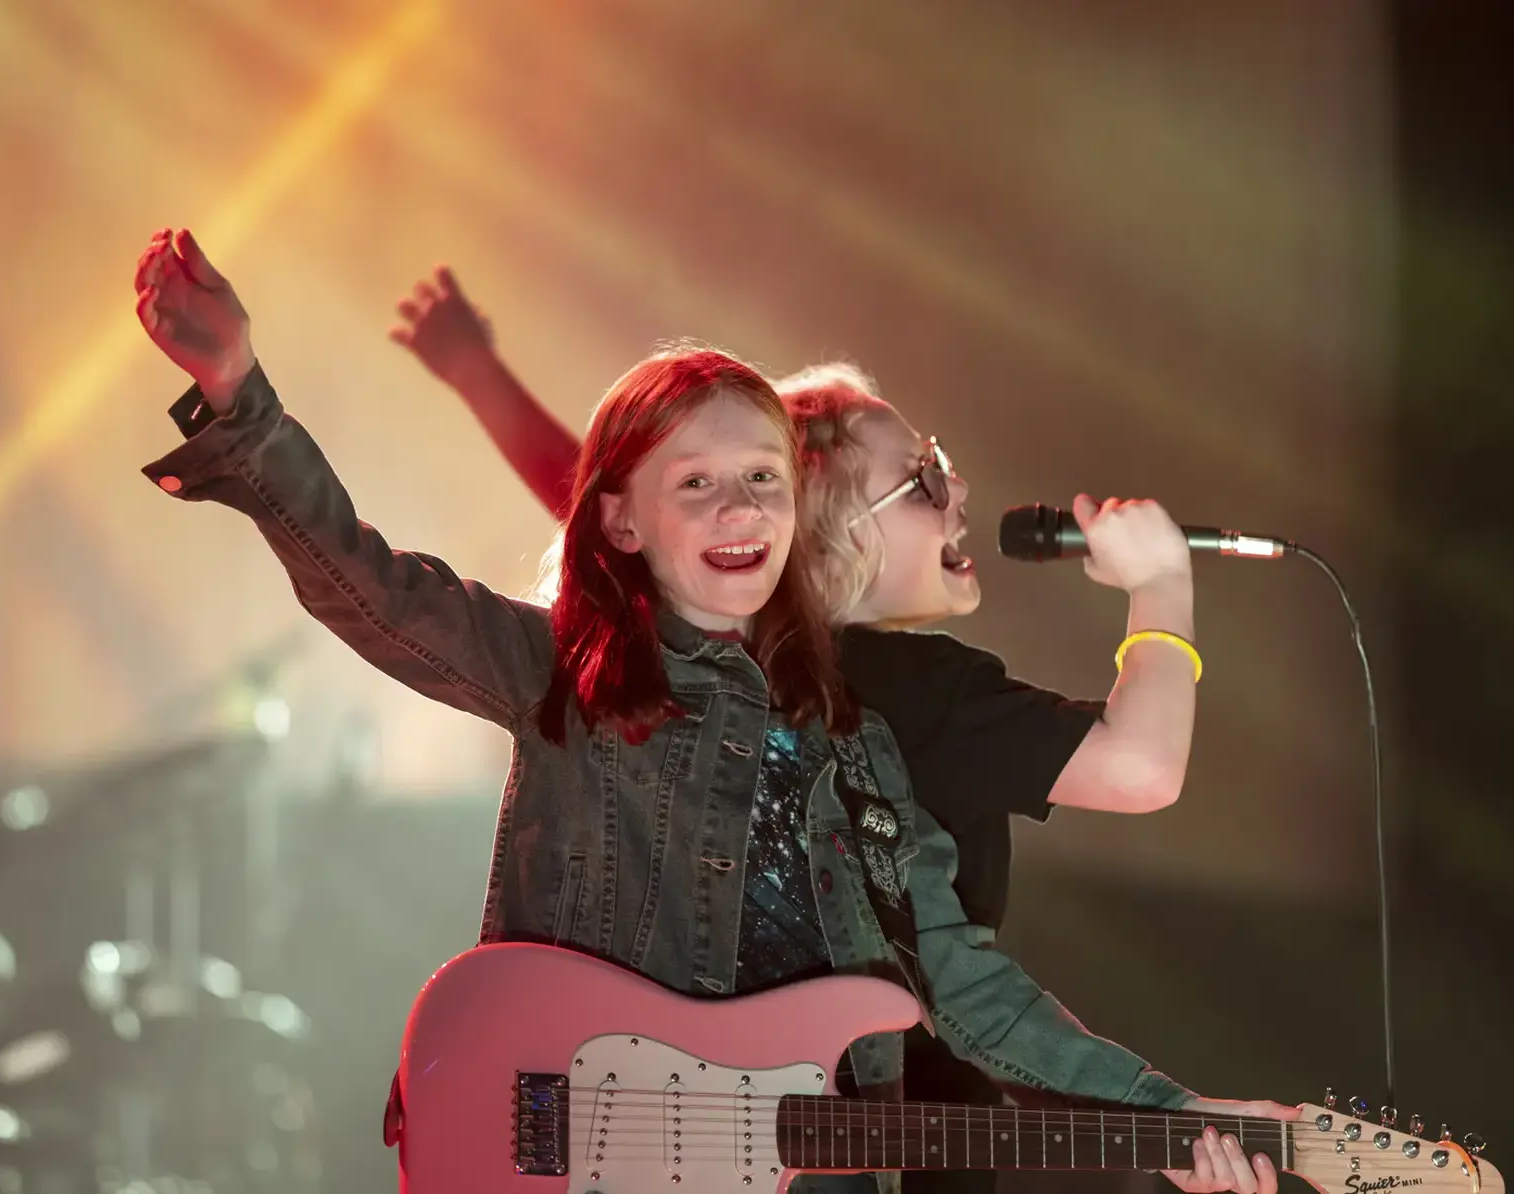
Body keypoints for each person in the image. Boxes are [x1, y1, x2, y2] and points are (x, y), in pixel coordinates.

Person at [134, 229, 1287, 1194]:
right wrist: (240, 392)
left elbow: (971, 987)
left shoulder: (862, 743)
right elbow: (371, 586)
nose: (740, 507)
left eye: (764, 480)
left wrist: (1171, 1113)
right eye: (699, 482)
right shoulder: (566, 675)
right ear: (623, 523)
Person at [390, 266, 1218, 1192]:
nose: (958, 489)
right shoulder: (909, 688)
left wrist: (476, 373)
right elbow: (1141, 767)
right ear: (831, 529)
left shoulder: (708, 655)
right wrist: (1162, 586)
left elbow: (592, 486)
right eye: (923, 477)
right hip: (880, 1134)